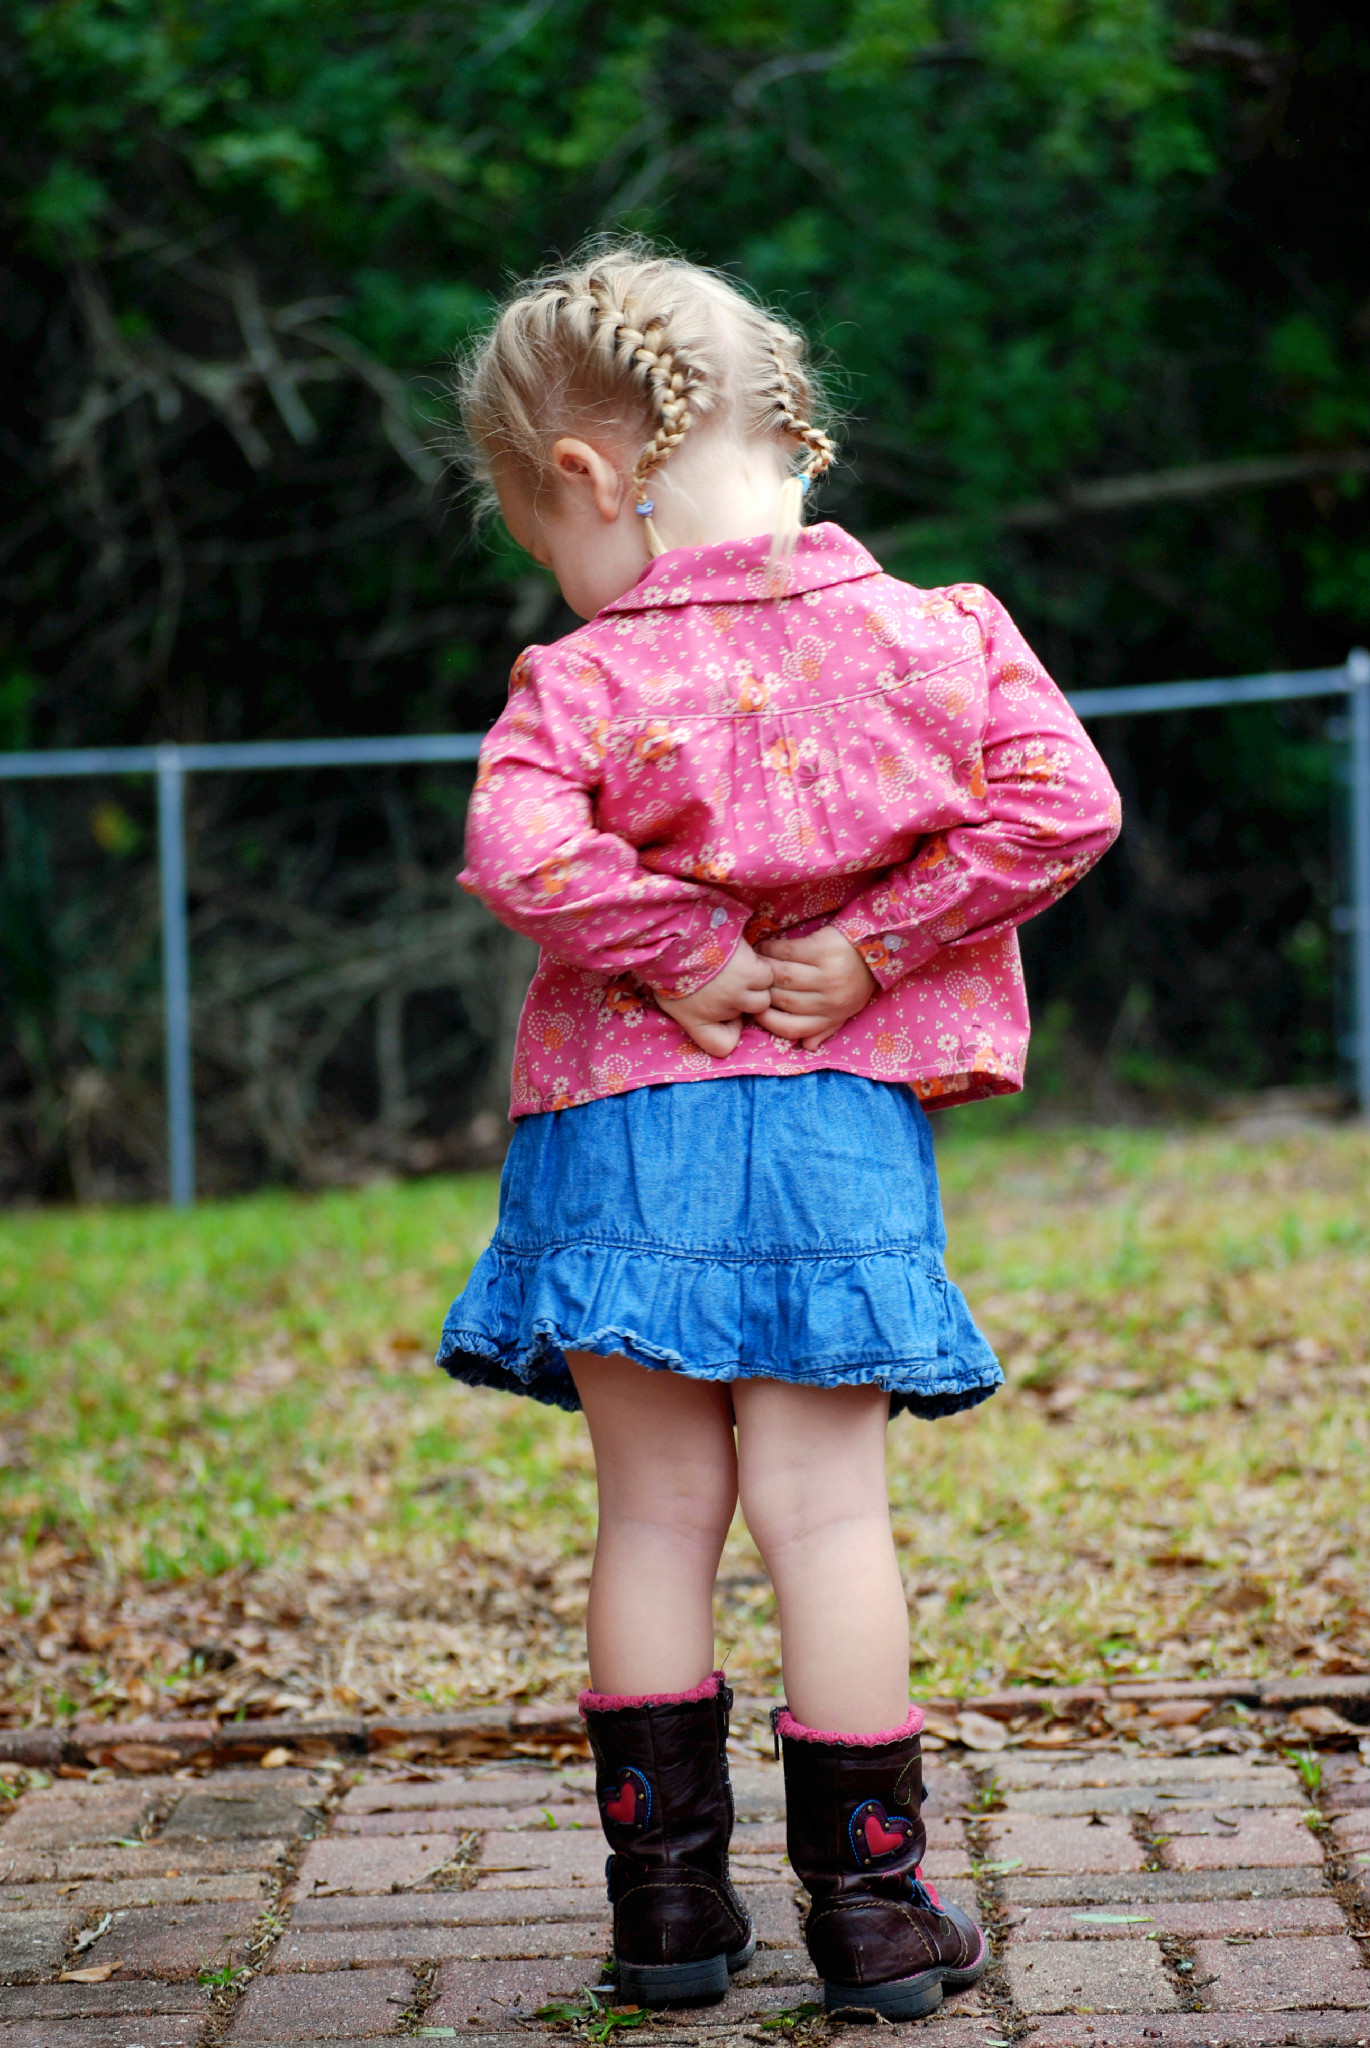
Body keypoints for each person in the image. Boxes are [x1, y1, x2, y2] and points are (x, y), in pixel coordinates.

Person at [437, 241, 1121, 2019]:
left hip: (619, 1132)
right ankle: (873, 1923)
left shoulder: (574, 684)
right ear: (792, 436)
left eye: (544, 533)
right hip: (831, 1132)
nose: (561, 576)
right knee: (826, 1520)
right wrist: (868, 948)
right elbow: (1066, 805)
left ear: (587, 476)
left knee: (653, 1516)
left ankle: (666, 1917)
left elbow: (521, 856)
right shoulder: (936, 633)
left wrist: (688, 958)